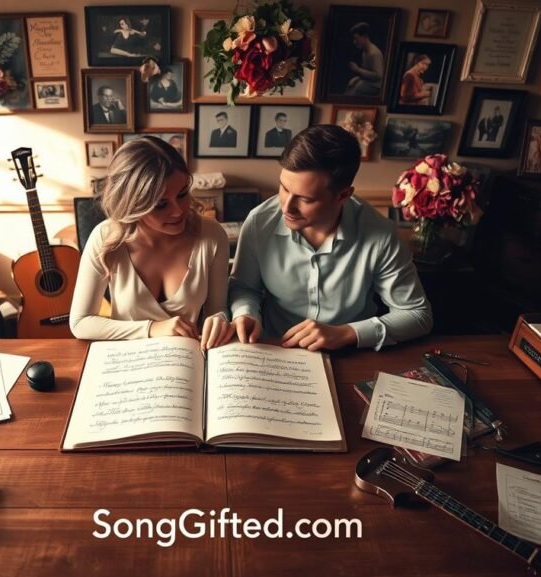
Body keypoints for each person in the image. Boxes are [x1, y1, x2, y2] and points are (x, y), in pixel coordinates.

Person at [229, 125, 433, 352]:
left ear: (343, 195)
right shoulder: (259, 222)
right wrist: (245, 313)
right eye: (284, 188)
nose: (287, 207)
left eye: (305, 199)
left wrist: (347, 333)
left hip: (348, 355)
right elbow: (244, 287)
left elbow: (418, 315)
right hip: (274, 350)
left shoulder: (380, 234)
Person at [70, 137, 234, 351]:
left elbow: (217, 310)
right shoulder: (105, 238)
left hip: (189, 362)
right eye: (160, 204)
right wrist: (152, 328)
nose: (178, 211)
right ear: (132, 204)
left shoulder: (212, 236)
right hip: (127, 361)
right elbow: (80, 323)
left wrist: (221, 319)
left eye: (183, 194)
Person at [344, 23, 385, 97]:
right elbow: (367, 72)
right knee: (351, 84)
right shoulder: (365, 52)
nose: (354, 42)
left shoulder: (374, 53)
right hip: (368, 81)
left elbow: (378, 75)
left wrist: (357, 70)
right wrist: (357, 78)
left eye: (356, 39)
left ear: (365, 37)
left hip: (376, 85)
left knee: (356, 89)